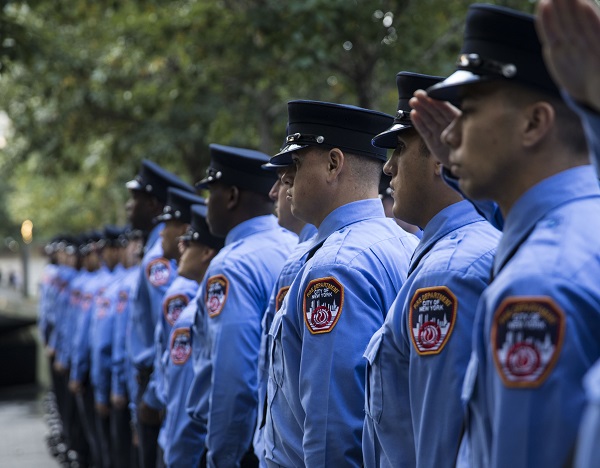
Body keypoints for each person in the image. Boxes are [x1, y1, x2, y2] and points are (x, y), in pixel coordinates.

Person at [421, 4, 600, 467]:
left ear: (534, 123)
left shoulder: (538, 282)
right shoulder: (578, 228)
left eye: (471, 109)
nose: (451, 132)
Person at [264, 100, 418, 467]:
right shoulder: (405, 242)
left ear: (334, 164)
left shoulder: (335, 266)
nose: (284, 179)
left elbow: (333, 425)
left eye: (297, 163)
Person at [361, 71, 501, 467]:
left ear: (440, 158)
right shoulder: (455, 250)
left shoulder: (447, 272)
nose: (388, 169)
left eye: (400, 150)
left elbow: (438, 443)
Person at [186, 143, 298, 467]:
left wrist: (223, 457)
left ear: (232, 196)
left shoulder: (232, 265)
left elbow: (233, 374)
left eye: (212, 194)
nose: (206, 205)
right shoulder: (292, 244)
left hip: (245, 445)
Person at [125, 159, 195, 468]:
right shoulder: (155, 252)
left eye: (135, 199)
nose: (129, 207)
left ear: (154, 204)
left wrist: (153, 395)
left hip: (158, 381)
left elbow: (168, 331)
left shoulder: (160, 259)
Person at [253, 161, 317, 465]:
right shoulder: (401, 242)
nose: (275, 192)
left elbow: (292, 380)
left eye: (285, 181)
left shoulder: (302, 263)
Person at [159, 204, 224, 468]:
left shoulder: (191, 316)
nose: (181, 248)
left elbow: (185, 404)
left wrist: (177, 459)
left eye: (189, 242)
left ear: (207, 252)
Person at [149, 187, 206, 465]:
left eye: (168, 226)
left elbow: (182, 379)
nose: (161, 233)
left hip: (183, 430)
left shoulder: (184, 294)